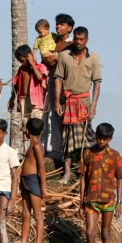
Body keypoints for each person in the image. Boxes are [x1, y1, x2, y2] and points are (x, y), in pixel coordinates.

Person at [78, 123, 122, 243]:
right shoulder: (88, 153)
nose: (101, 141)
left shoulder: (115, 156)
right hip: (90, 199)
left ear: (110, 139)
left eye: (105, 139)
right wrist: (81, 200)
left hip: (108, 201)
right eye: (99, 137)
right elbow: (82, 177)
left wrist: (119, 202)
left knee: (105, 234)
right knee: (90, 233)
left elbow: (120, 179)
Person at [54, 26, 102, 184]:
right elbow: (58, 80)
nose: (79, 42)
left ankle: (84, 172)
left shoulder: (93, 58)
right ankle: (67, 173)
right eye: (76, 39)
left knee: (86, 138)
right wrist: (56, 102)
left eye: (81, 39)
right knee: (67, 138)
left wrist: (94, 106)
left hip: (84, 102)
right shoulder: (64, 56)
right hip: (67, 101)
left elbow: (97, 84)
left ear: (87, 39)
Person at [41, 13, 75, 162]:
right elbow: (46, 58)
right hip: (52, 83)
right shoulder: (53, 41)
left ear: (70, 27)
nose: (58, 26)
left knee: (64, 120)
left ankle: (67, 153)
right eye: (57, 24)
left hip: (65, 86)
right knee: (51, 119)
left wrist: (54, 56)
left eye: (62, 24)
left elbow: (55, 59)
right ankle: (55, 150)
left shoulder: (73, 43)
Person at [19, 118, 47, 243]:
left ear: (27, 131)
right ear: (41, 132)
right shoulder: (32, 145)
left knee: (38, 216)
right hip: (26, 180)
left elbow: (42, 169)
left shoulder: (36, 146)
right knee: (25, 214)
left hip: (33, 181)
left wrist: (43, 188)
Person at [9, 44, 48, 127]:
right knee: (25, 125)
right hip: (24, 100)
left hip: (36, 101)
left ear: (28, 56)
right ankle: (25, 140)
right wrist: (12, 98)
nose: (21, 63)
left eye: (22, 60)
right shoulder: (21, 69)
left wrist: (32, 64)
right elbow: (16, 85)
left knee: (36, 125)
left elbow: (40, 77)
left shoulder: (40, 67)